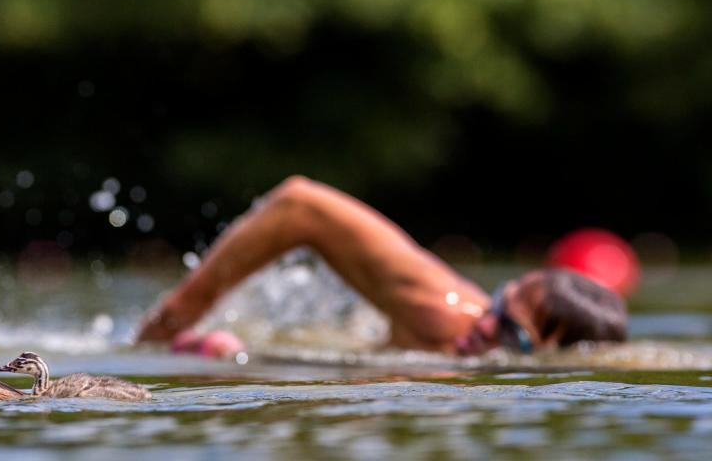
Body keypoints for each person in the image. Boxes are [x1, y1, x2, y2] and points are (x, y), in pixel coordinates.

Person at [137, 176, 627, 356]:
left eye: (514, 335)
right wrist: (183, 309)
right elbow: (301, 205)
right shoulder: (445, 310)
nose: (485, 324)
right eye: (499, 302)